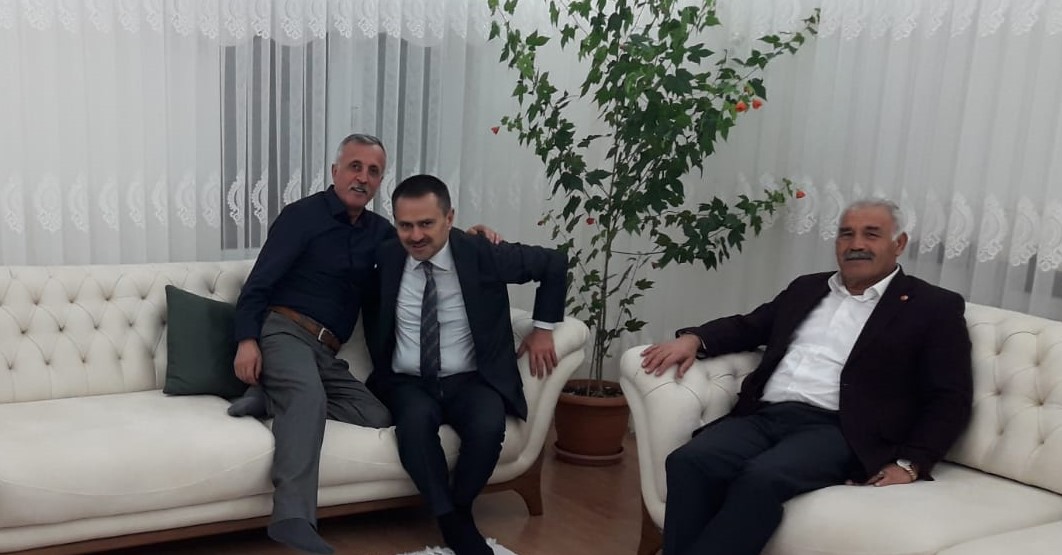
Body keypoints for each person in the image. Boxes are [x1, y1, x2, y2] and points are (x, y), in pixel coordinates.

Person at [639, 199, 973, 555]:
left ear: (899, 243)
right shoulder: (808, 288)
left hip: (839, 429)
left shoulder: (932, 306)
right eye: (846, 234)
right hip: (764, 416)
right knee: (689, 462)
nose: (856, 244)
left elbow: (950, 396)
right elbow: (749, 326)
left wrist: (911, 463)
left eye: (871, 234)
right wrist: (694, 339)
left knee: (761, 478)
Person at [231, 134, 498, 555]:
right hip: (284, 330)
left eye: (373, 171)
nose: (363, 177)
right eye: (355, 166)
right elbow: (258, 283)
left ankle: (269, 395)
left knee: (377, 413)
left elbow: (424, 242)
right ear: (335, 171)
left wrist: (469, 239)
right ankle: (292, 518)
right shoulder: (301, 216)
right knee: (306, 399)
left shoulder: (380, 233)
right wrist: (247, 339)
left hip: (325, 352)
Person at [365, 174, 566, 555]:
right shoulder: (386, 256)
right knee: (414, 427)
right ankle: (451, 521)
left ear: (449, 218)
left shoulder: (481, 253)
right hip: (407, 381)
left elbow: (554, 263)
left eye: (426, 223)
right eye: (405, 225)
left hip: (471, 379)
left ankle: (457, 508)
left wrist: (543, 329)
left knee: (488, 428)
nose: (415, 236)